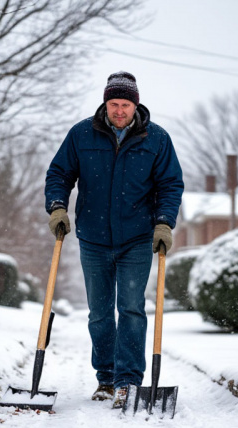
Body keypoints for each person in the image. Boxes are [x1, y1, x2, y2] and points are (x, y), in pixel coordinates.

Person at [44, 71, 184, 409]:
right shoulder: (81, 134)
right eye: (113, 103)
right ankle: (106, 378)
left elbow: (170, 184)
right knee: (100, 313)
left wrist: (164, 223)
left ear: (135, 105)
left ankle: (128, 382)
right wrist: (57, 207)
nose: (118, 111)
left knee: (132, 309)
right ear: (105, 103)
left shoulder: (157, 139)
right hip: (93, 238)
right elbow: (60, 174)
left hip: (137, 238)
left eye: (125, 104)